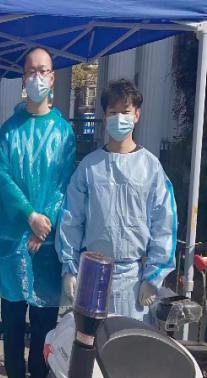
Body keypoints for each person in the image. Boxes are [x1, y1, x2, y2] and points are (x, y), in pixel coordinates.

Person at [0, 47, 76, 378]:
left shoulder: (64, 133)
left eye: (43, 70)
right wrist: (30, 215)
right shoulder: (9, 130)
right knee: (12, 319)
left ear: (52, 78)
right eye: (31, 71)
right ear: (23, 78)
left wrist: (45, 225)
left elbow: (64, 184)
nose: (37, 77)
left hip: (46, 243)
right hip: (14, 239)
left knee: (44, 323)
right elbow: (4, 178)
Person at [56, 79, 177, 321]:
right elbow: (71, 220)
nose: (119, 118)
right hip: (92, 274)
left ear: (137, 115)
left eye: (126, 111)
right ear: (105, 116)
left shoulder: (151, 168)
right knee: (90, 342)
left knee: (130, 343)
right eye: (113, 112)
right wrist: (70, 268)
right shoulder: (90, 167)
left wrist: (153, 277)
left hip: (134, 281)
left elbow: (164, 224)